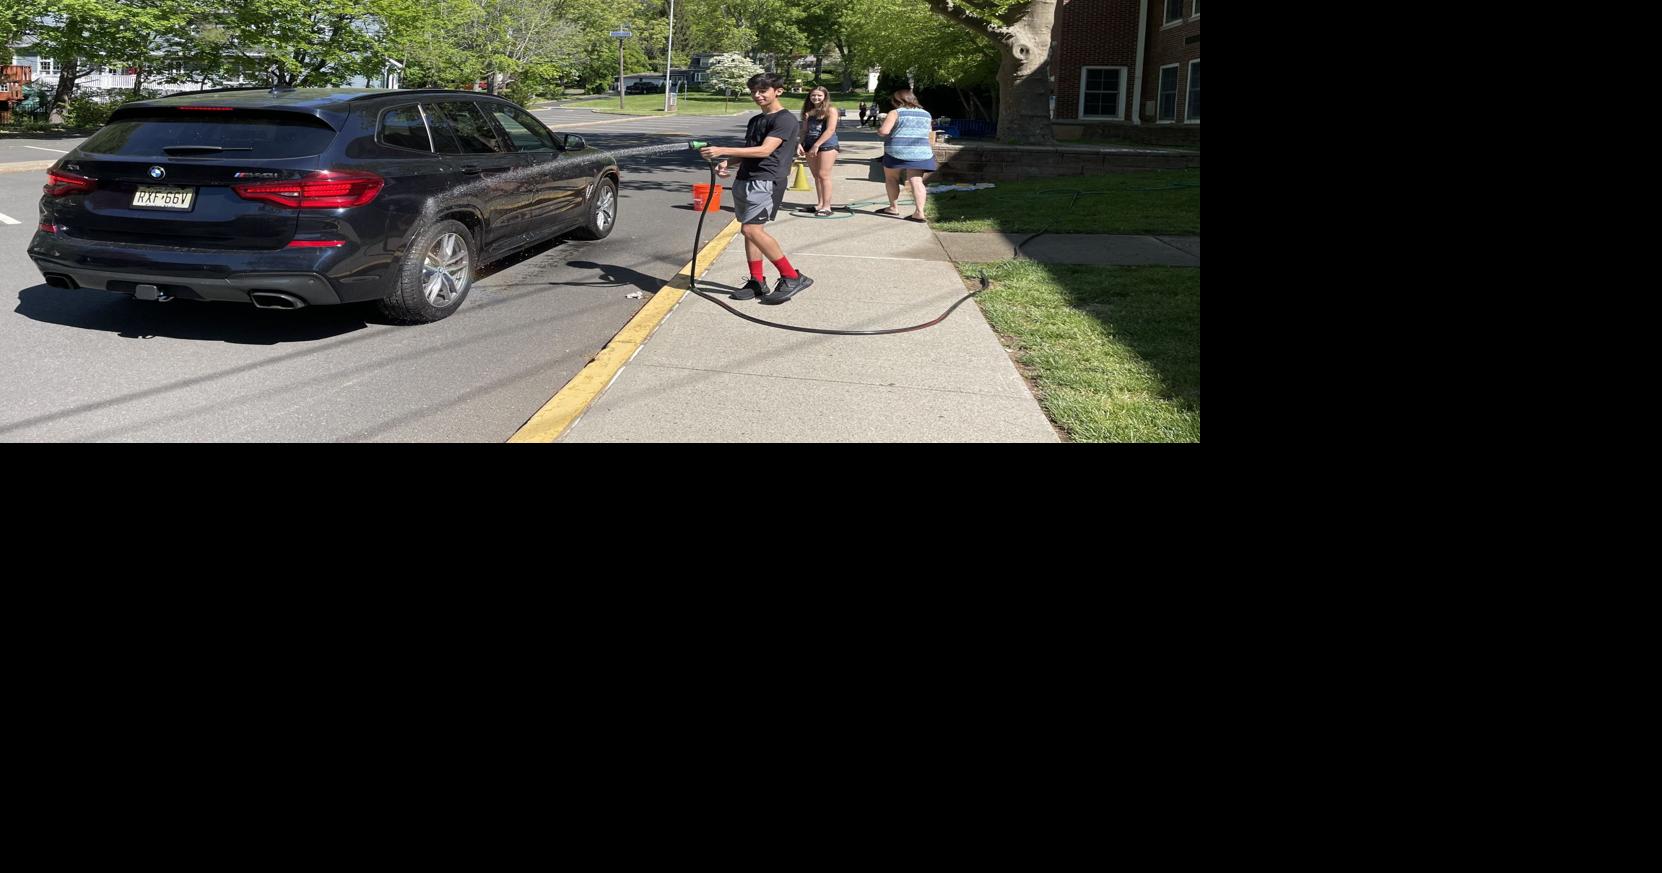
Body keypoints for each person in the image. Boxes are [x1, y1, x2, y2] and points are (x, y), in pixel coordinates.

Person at [699, 73, 813, 304]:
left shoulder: (784, 120)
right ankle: (757, 281)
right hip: (745, 179)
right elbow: (751, 150)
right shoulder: (755, 120)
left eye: (763, 91)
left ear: (778, 91)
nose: (757, 95)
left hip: (766, 181)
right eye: (754, 91)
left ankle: (792, 276)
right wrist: (728, 163)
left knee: (752, 230)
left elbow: (764, 151)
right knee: (749, 231)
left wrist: (723, 150)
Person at [877, 88, 936, 223]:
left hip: (896, 151)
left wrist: (879, 130)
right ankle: (919, 212)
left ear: (897, 100)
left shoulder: (895, 113)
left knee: (891, 178)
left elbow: (884, 131)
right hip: (920, 152)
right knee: (917, 181)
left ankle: (893, 207)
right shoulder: (926, 114)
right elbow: (929, 132)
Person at [795, 86, 841, 216]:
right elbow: (804, 130)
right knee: (816, 176)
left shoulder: (831, 110)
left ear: (825, 97)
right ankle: (820, 204)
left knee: (823, 175)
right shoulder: (808, 111)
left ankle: (827, 206)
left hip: (827, 145)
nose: (816, 98)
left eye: (819, 95)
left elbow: (830, 130)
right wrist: (799, 143)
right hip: (809, 144)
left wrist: (817, 145)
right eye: (813, 95)